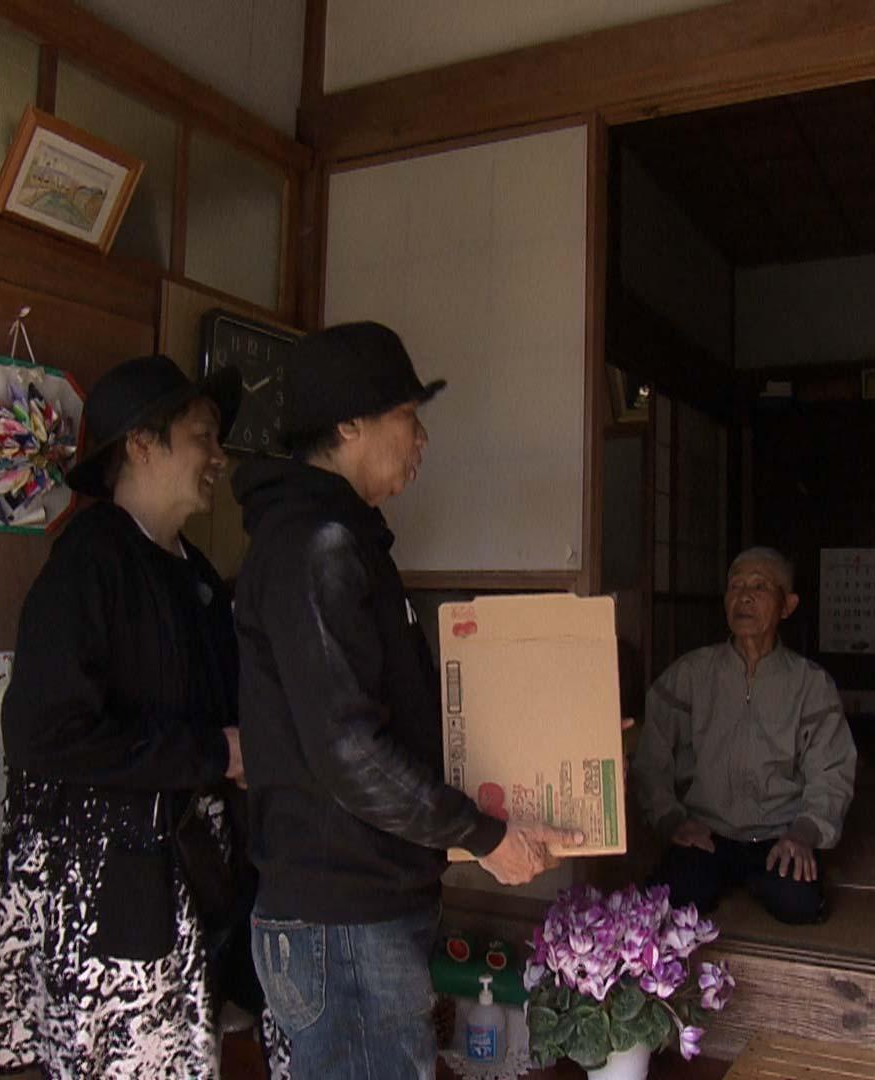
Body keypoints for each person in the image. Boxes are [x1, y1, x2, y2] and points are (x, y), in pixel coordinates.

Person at [231, 321, 580, 1080]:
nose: (422, 439)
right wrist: (482, 834)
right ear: (350, 424)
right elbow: (350, 752)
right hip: (344, 917)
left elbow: (409, 719)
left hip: (357, 909)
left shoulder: (338, 539)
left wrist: (564, 732)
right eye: (408, 416)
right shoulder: (314, 545)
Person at [0, 355, 247, 1078]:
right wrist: (212, 754)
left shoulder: (193, 569)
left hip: (180, 891)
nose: (219, 458)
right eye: (204, 436)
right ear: (141, 443)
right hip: (100, 907)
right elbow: (43, 735)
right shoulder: (88, 563)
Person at [632, 547, 856, 926]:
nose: (744, 596)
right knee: (673, 898)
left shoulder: (810, 684)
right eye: (736, 586)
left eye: (760, 586)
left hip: (778, 834)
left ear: (787, 606)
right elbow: (650, 754)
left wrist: (803, 833)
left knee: (797, 903)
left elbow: (832, 771)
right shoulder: (691, 673)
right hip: (704, 832)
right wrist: (672, 820)